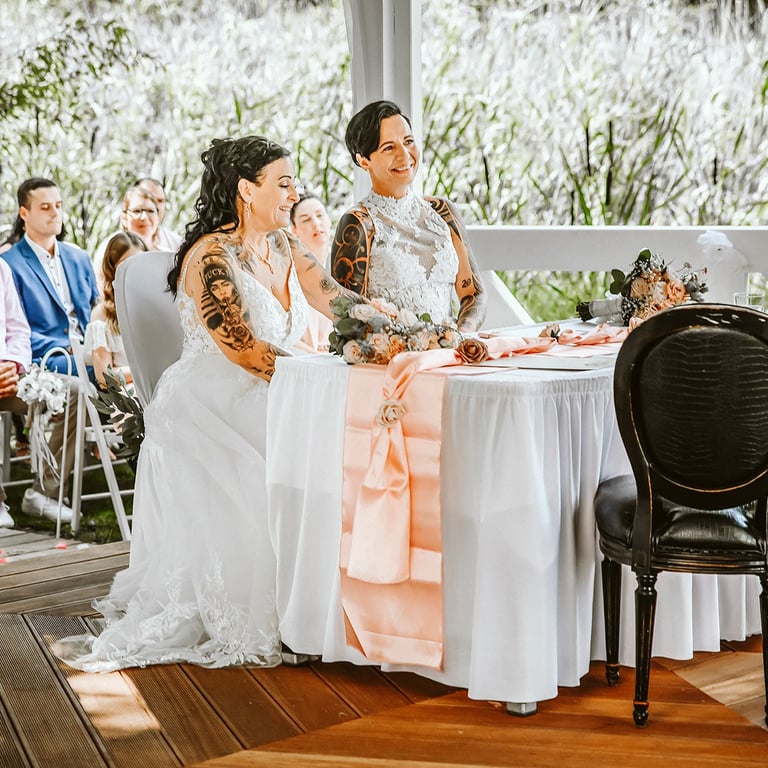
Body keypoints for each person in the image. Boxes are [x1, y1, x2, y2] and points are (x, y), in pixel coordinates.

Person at [55, 134, 362, 672]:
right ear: (247, 189)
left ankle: (335, 608)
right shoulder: (210, 257)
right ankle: (296, 615)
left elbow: (336, 300)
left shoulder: (286, 243)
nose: (295, 194)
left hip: (283, 381)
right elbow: (243, 350)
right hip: (213, 402)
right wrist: (320, 382)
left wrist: (396, 330)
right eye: (283, 183)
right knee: (312, 445)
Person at [331, 100, 486, 333]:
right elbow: (347, 318)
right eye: (389, 148)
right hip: (392, 352)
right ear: (364, 160)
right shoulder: (358, 223)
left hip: (450, 348)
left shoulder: (443, 211)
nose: (405, 155)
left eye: (408, 141)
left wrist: (460, 335)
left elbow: (473, 293)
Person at [1, 178, 99, 523]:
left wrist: (97, 346)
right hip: (48, 359)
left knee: (103, 377)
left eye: (58, 205)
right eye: (45, 207)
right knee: (101, 379)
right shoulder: (11, 262)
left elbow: (96, 311)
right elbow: (25, 331)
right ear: (24, 213)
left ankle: (47, 491)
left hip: (84, 354)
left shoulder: (79, 257)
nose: (55, 213)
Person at [84, 231, 146, 388]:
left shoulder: (155, 306)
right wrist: (146, 371)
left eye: (139, 262)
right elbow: (104, 376)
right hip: (127, 390)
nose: (133, 270)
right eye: (125, 264)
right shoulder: (102, 314)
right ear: (112, 270)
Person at [0, 258, 32, 528]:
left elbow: (18, 329)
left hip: (8, 373)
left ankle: (46, 494)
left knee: (70, 393)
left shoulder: (1, 268)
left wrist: (13, 364)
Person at [91, 184, 162, 288]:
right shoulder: (108, 251)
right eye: (137, 211)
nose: (144, 217)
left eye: (150, 211)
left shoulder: (165, 254)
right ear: (124, 217)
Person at [290, 191, 334, 351]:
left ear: (329, 220)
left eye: (320, 215)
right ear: (294, 231)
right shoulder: (291, 274)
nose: (316, 223)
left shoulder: (343, 266)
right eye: (306, 220)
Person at [133, 177, 182, 252]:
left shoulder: (176, 244)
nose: (156, 206)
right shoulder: (116, 243)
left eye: (160, 201)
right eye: (149, 199)